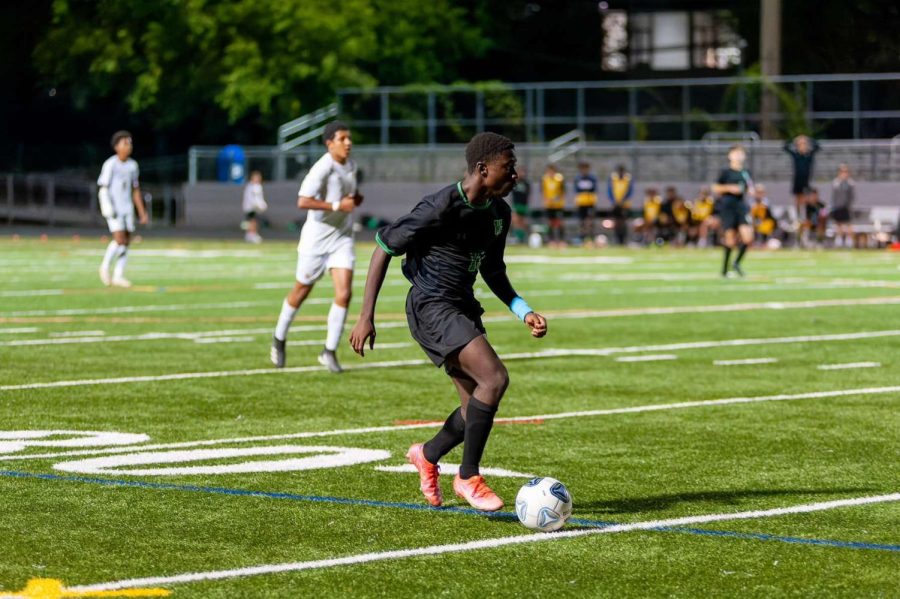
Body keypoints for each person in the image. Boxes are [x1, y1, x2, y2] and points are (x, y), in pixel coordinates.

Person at [349, 132, 547, 511]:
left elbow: (493, 270)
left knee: (475, 406)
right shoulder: (441, 207)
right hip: (430, 306)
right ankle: (468, 476)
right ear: (482, 168)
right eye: (509, 167)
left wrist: (523, 310)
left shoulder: (499, 214)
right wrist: (365, 317)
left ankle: (427, 453)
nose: (516, 175)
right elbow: (383, 248)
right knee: (495, 378)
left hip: (462, 307)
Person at [270, 121, 363, 373]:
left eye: (349, 138)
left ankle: (329, 351)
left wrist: (354, 200)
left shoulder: (351, 165)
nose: (348, 143)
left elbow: (347, 197)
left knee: (344, 293)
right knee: (301, 290)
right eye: (342, 138)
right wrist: (336, 206)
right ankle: (279, 338)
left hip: (341, 237)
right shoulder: (322, 167)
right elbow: (303, 201)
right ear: (329, 143)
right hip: (316, 240)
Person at [97, 130, 148, 288]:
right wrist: (107, 206)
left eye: (130, 143)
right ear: (116, 146)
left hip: (127, 208)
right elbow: (103, 187)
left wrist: (141, 211)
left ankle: (118, 275)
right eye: (125, 143)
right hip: (114, 207)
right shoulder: (110, 164)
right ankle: (105, 268)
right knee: (119, 239)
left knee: (126, 242)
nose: (129, 146)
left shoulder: (133, 166)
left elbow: (136, 190)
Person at [712, 145, 754, 277]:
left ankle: (736, 262)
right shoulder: (725, 172)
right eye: (735, 153)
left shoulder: (746, 172)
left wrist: (751, 191)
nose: (738, 156)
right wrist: (730, 188)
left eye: (740, 153)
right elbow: (716, 188)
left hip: (741, 206)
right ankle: (724, 269)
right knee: (730, 239)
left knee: (748, 237)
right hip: (728, 206)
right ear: (729, 156)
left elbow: (749, 187)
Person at [784, 134, 820, 245]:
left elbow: (817, 146)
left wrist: (808, 139)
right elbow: (785, 146)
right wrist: (795, 139)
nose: (802, 147)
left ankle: (805, 222)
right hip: (797, 183)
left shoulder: (809, 156)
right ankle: (798, 217)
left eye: (804, 145)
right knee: (798, 207)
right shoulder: (796, 155)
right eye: (800, 145)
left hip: (806, 184)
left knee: (807, 207)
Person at [573, 161, 599, 247]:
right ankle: (582, 237)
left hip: (590, 202)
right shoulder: (578, 178)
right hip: (581, 202)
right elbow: (576, 190)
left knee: (590, 221)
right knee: (582, 221)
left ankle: (590, 237)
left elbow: (594, 189)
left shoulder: (592, 178)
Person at [606, 164, 633, 245]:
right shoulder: (613, 179)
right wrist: (614, 201)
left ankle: (623, 239)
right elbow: (610, 191)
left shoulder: (628, 179)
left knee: (623, 222)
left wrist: (623, 200)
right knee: (617, 222)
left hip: (624, 204)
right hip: (616, 204)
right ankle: (617, 239)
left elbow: (629, 191)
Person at [831, 164, 856, 248]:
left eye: (845, 171)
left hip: (846, 206)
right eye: (842, 171)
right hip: (837, 206)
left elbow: (851, 196)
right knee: (838, 223)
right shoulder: (836, 182)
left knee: (848, 223)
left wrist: (848, 205)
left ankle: (849, 240)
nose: (844, 173)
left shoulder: (850, 183)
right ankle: (839, 240)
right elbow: (834, 196)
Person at [541, 164, 566, 248]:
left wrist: (557, 198)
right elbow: (543, 191)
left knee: (559, 223)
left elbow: (563, 191)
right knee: (550, 223)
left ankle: (561, 241)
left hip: (558, 205)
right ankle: (551, 241)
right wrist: (546, 201)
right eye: (549, 171)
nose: (550, 173)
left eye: (552, 171)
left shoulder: (559, 179)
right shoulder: (545, 179)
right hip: (549, 205)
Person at [242, 170, 268, 243]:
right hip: (251, 207)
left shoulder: (253, 186)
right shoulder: (253, 187)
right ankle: (251, 235)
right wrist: (261, 205)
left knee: (253, 221)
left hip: (251, 207)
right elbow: (254, 199)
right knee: (252, 221)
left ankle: (250, 234)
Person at [509, 166, 531, 244]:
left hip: (523, 205)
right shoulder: (514, 182)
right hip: (516, 204)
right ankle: (518, 237)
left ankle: (523, 237)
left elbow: (528, 194)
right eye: (520, 172)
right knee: (515, 221)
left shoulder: (526, 183)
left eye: (523, 172)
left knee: (523, 221)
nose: (522, 174)